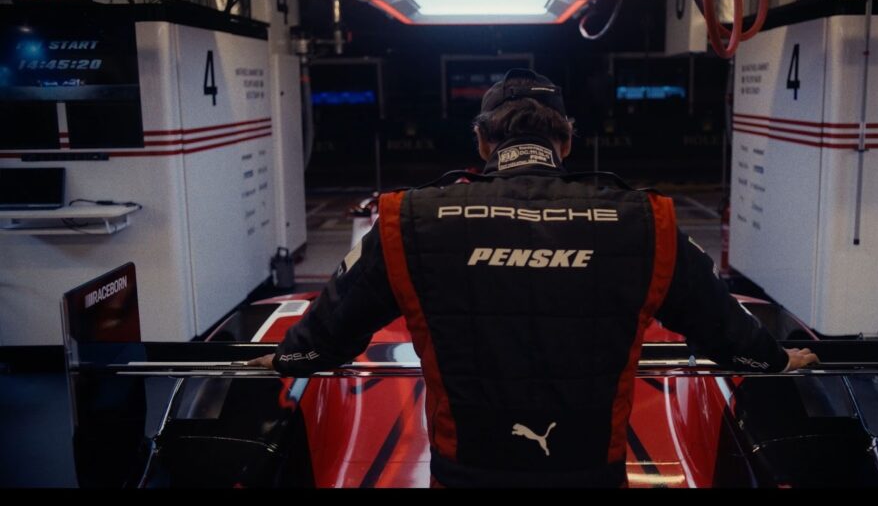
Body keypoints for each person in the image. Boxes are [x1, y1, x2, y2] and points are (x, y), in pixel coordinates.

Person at [249, 68, 819, 488]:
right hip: (591, 475)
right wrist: (773, 359)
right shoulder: (648, 220)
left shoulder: (410, 218)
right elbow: (722, 327)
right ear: (566, 141)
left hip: (464, 474)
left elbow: (330, 329)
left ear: (482, 142)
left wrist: (287, 356)